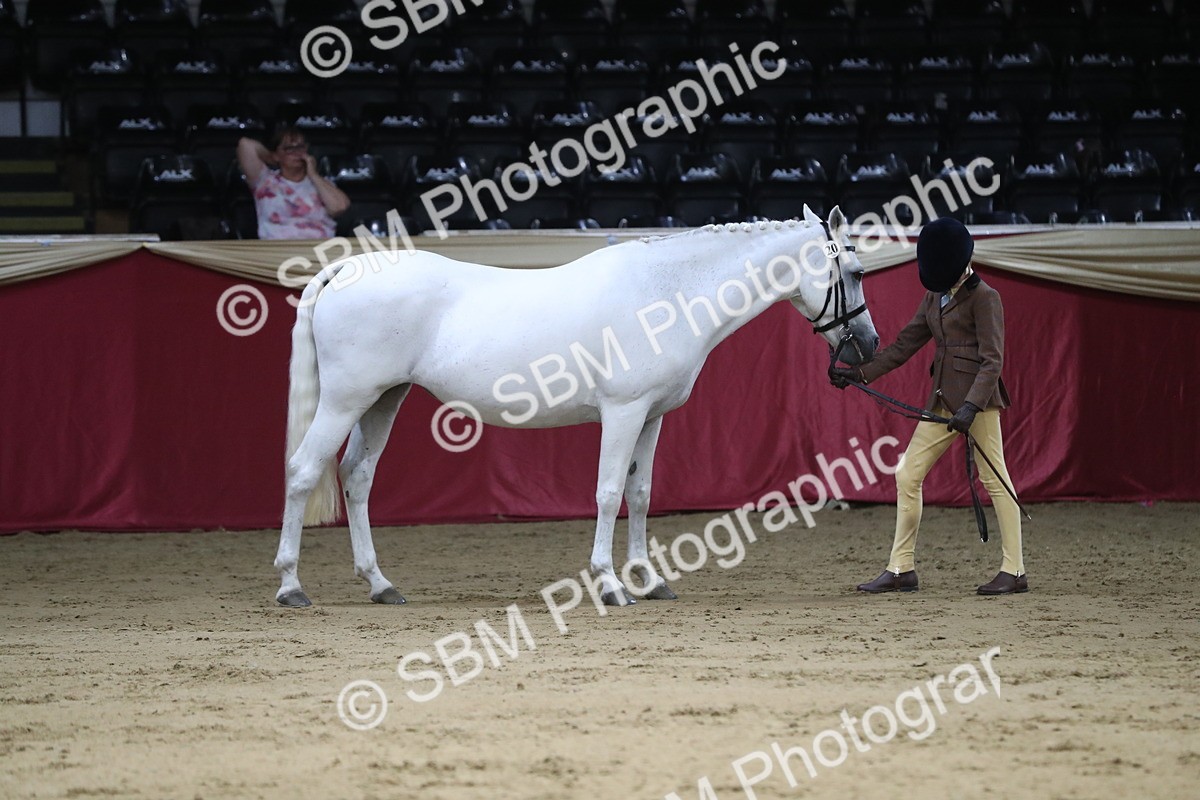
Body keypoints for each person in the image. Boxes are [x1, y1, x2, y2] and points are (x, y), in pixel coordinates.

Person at [830, 217, 1027, 596]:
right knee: (907, 474)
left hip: (978, 405)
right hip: (940, 401)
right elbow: (905, 344)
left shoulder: (986, 298)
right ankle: (902, 568)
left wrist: (971, 407)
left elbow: (992, 361)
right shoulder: (935, 296)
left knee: (995, 481)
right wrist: (859, 373)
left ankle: (1015, 570)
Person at [236, 126, 350, 239]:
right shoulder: (265, 181)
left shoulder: (321, 184)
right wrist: (272, 158)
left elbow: (339, 207)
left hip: (317, 249)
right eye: (289, 149)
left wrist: (313, 175)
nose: (297, 153)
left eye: (300, 147)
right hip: (276, 250)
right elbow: (245, 144)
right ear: (276, 154)